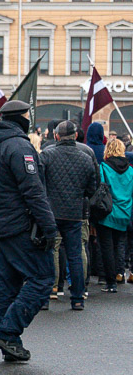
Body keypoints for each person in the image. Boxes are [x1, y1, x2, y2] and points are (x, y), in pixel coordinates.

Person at [0, 100, 58, 362]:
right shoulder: (19, 146)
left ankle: (8, 341)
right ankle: (8, 331)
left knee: (8, 285)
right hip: (18, 224)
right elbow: (33, 191)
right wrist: (48, 226)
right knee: (43, 278)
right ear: (21, 118)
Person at [40, 120, 98, 310]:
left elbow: (39, 184)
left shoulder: (47, 155)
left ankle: (48, 293)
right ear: (75, 136)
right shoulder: (85, 158)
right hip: (75, 212)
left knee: (50, 251)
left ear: (56, 136)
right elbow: (92, 188)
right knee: (75, 255)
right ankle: (78, 298)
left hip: (51, 211)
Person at [97, 137, 133, 293]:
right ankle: (120, 272)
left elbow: (100, 189)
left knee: (106, 247)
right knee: (120, 244)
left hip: (108, 212)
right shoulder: (131, 170)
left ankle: (110, 282)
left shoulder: (103, 167)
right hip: (125, 212)